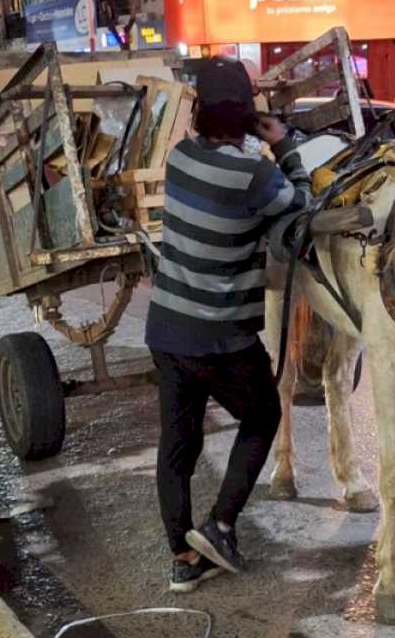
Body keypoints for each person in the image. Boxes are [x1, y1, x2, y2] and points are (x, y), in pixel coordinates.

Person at [145, 58, 310, 592]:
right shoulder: (254, 174)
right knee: (262, 418)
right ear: (247, 112)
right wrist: (283, 145)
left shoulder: (179, 159)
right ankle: (219, 526)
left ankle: (180, 559)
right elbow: (302, 207)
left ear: (198, 108)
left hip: (167, 328)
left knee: (177, 445)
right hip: (221, 338)